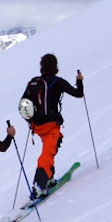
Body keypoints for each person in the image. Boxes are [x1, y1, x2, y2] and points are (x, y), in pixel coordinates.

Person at [19, 54, 84, 201]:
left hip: (36, 126)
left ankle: (48, 178)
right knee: (47, 153)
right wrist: (79, 82)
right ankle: (39, 185)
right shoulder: (57, 82)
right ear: (55, 66)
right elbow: (78, 94)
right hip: (51, 125)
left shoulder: (34, 82)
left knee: (51, 148)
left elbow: (24, 105)